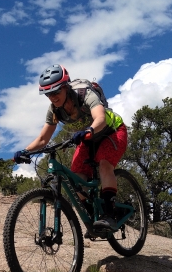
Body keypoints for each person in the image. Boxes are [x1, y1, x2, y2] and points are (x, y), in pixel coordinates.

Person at [13, 64, 127, 232]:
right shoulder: (54, 110)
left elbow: (100, 118)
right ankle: (93, 216)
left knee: (104, 165)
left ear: (66, 87)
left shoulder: (84, 94)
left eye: (56, 91)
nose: (52, 97)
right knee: (76, 179)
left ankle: (109, 215)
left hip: (112, 131)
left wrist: (90, 129)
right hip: (88, 139)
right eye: (47, 94)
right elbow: (43, 138)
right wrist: (26, 151)